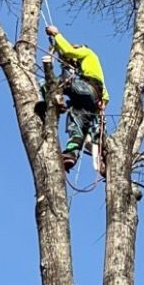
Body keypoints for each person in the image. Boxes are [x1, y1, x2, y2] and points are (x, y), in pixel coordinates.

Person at [45, 23, 108, 174]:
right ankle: (70, 155)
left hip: (85, 88)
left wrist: (56, 34)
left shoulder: (87, 52)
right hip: (91, 101)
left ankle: (56, 98)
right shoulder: (95, 72)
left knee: (49, 84)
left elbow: (67, 51)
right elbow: (105, 97)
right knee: (76, 128)